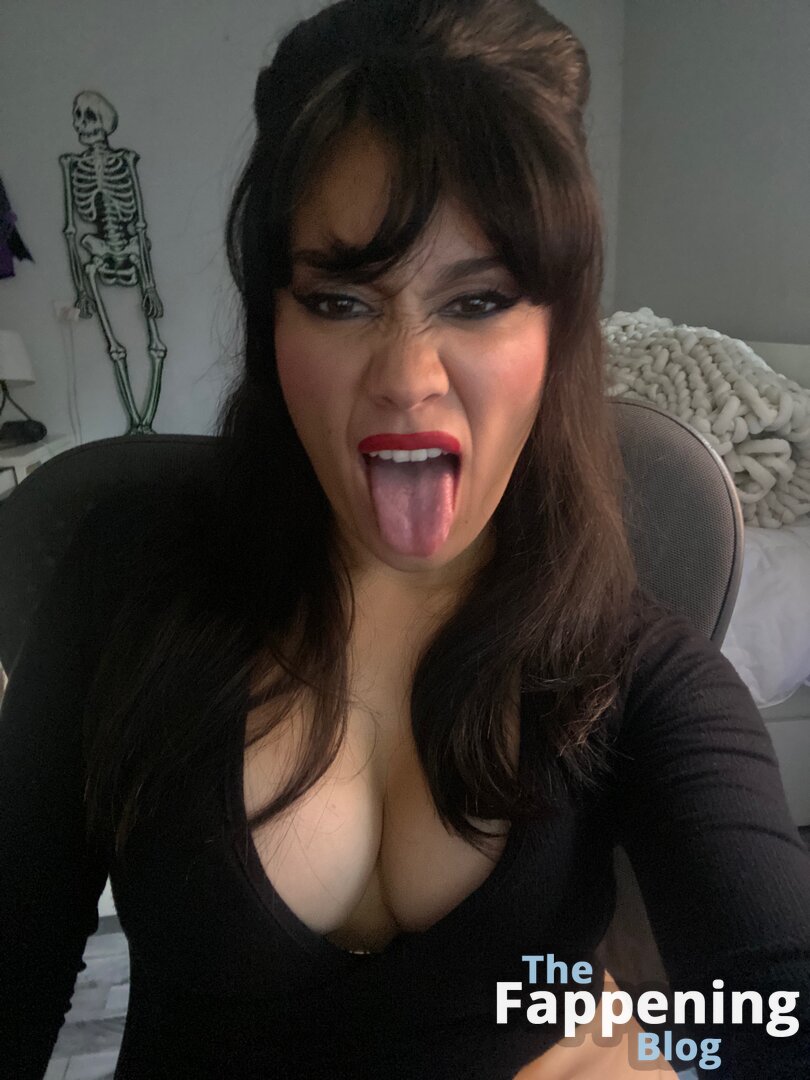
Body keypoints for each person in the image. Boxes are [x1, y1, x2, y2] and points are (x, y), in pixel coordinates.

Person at [2, 1, 810, 1077]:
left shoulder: (636, 668)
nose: (407, 378)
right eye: (341, 302)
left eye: (477, 301)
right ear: (271, 320)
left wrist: (659, 1045)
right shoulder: (127, 577)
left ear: (558, 333)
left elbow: (773, 998)